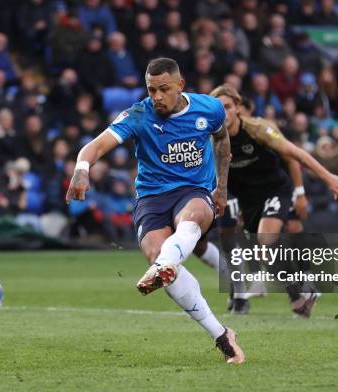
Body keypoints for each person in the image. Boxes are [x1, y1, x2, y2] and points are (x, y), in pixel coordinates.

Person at [66, 58, 244, 364]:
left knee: (191, 220)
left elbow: (222, 143)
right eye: (151, 90)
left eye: (163, 89)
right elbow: (94, 147)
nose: (157, 96)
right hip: (152, 197)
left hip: (194, 191)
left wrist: (222, 188)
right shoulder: (138, 114)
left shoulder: (210, 109)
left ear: (180, 85)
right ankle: (221, 334)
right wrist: (81, 170)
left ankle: (169, 263)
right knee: (157, 259)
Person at [195, 84, 338, 315]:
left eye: (228, 107)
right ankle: (298, 294)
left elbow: (295, 154)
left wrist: (327, 177)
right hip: (247, 199)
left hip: (275, 189)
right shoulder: (212, 140)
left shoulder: (258, 129)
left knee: (267, 238)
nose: (224, 113)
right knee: (262, 252)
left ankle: (305, 280)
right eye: (218, 108)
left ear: (238, 108)